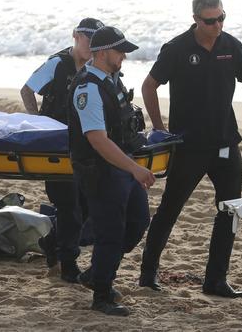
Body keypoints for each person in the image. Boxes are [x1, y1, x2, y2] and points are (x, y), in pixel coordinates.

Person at [138, 0, 242, 298]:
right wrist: (160, 127)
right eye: (210, 20)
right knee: (170, 209)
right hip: (189, 146)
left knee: (229, 211)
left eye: (221, 18)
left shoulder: (230, 46)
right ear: (196, 20)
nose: (217, 25)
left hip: (225, 143)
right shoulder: (177, 48)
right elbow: (149, 85)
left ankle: (216, 280)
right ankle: (147, 273)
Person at [68, 26, 155, 316]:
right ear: (103, 53)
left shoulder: (110, 80)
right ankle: (101, 294)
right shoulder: (88, 88)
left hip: (121, 165)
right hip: (102, 172)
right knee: (110, 234)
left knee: (138, 221)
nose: (124, 57)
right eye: (120, 52)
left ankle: (95, 274)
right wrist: (135, 169)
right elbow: (97, 139)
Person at [20, 17, 103, 282]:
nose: (91, 44)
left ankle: (50, 242)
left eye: (96, 39)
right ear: (76, 35)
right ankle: (68, 264)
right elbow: (27, 90)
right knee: (69, 207)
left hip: (85, 145)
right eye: (87, 37)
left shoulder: (96, 67)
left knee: (86, 205)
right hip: (55, 146)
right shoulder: (57, 64)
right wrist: (38, 122)